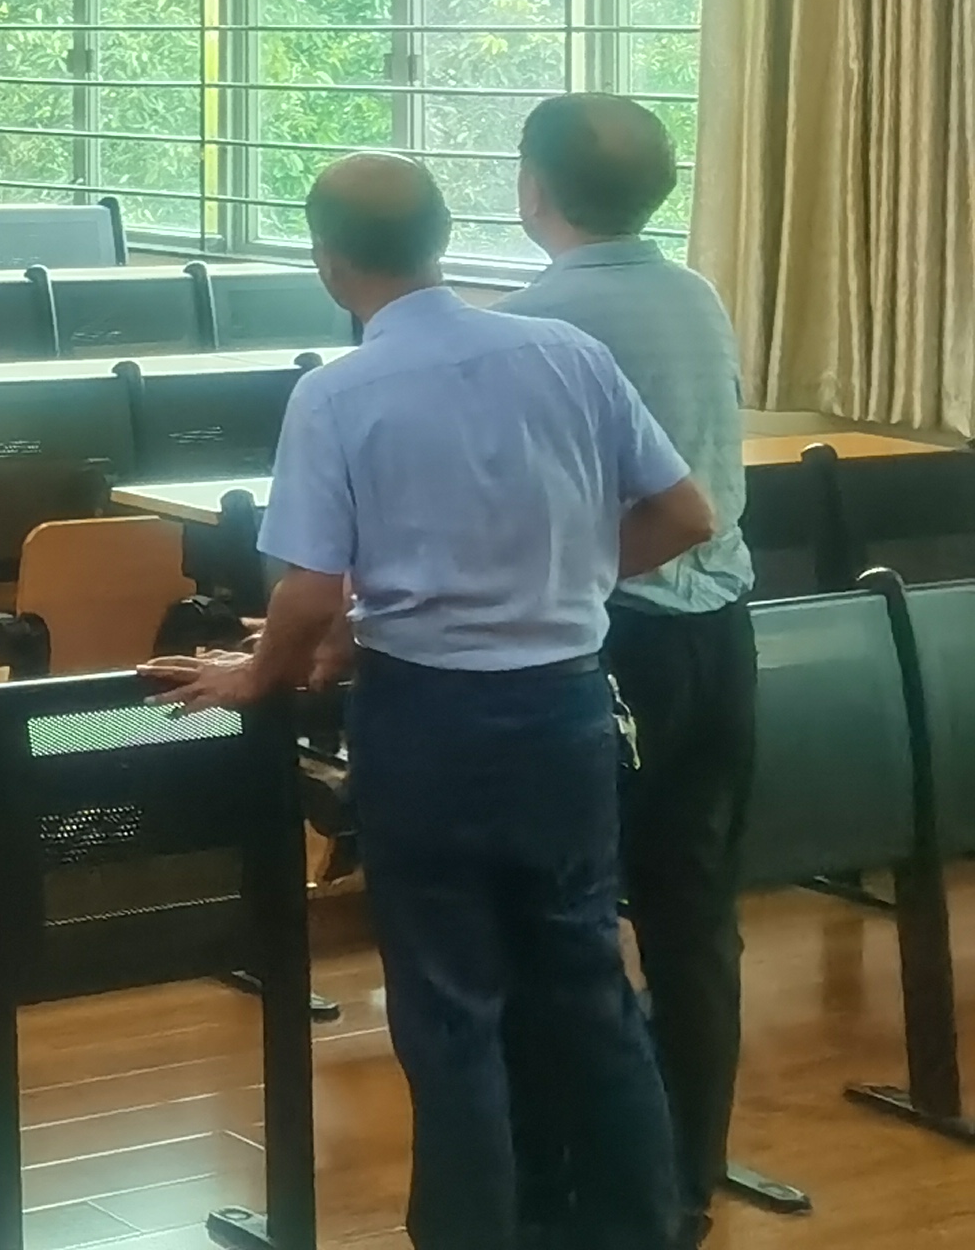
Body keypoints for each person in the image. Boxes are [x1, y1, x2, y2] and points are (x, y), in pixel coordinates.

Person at [149, 152, 710, 1250]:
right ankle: (639, 1227)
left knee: (451, 1005)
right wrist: (560, 583)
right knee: (589, 985)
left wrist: (258, 675)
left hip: (430, 725)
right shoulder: (568, 353)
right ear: (445, 238)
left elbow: (310, 592)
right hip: (567, 712)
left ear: (329, 262)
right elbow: (687, 516)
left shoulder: (337, 392)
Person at [511, 95, 752, 1247]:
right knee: (694, 912)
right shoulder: (698, 293)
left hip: (616, 642)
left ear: (533, 190)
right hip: (722, 636)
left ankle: (589, 1184)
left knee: (572, 916)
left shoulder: (536, 323)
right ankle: (689, 1178)